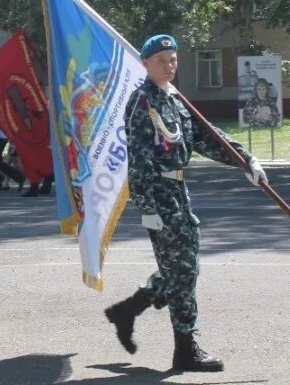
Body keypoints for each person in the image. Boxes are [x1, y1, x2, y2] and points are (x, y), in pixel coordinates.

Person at [104, 34, 267, 373]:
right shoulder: (141, 102)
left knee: (180, 268)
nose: (169, 65)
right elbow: (139, 158)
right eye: (162, 60)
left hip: (179, 192)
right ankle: (185, 349)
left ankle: (128, 310)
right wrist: (146, 206)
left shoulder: (176, 101)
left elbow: (206, 138)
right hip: (161, 195)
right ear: (146, 64)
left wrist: (245, 160)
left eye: (173, 59)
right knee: (183, 270)